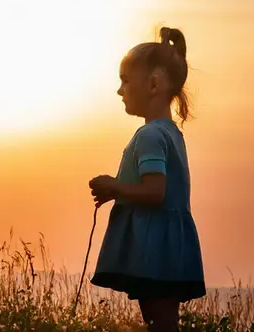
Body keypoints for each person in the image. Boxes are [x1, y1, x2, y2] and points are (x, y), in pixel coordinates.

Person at [87, 27, 205, 332]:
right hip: (167, 242)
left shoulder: (150, 135)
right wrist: (118, 190)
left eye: (125, 80)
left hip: (154, 247)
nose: (119, 90)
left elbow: (155, 192)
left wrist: (114, 186)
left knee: (160, 323)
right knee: (163, 323)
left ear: (153, 84)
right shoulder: (171, 133)